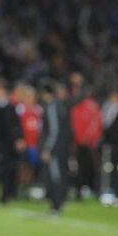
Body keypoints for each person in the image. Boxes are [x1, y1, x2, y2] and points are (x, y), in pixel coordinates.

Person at [41, 82, 71, 215]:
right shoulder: (61, 106)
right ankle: (58, 204)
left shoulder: (52, 106)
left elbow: (54, 130)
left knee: (55, 176)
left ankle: (56, 206)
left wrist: (47, 149)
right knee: (59, 175)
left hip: (55, 149)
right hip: (62, 148)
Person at [70, 87, 102, 199]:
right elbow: (73, 126)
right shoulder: (75, 108)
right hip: (79, 143)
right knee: (79, 168)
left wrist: (87, 138)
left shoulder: (91, 107)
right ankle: (79, 191)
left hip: (90, 144)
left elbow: (95, 124)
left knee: (92, 168)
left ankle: (95, 190)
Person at [101, 90, 118, 204]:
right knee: (112, 170)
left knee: (115, 170)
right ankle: (117, 193)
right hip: (112, 145)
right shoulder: (109, 110)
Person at [16, 85, 43, 196]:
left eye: (31, 96)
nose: (29, 99)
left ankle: (27, 187)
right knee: (22, 165)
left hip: (34, 144)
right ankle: (19, 187)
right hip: (23, 143)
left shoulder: (39, 110)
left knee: (31, 166)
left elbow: (41, 127)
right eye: (27, 96)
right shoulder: (19, 109)